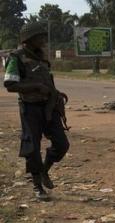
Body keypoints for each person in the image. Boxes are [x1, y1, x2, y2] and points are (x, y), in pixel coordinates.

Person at [3, 22, 70, 201]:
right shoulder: (16, 58)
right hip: (30, 108)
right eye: (40, 37)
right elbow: (10, 85)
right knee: (32, 147)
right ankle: (37, 186)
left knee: (62, 144)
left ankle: (44, 170)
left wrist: (56, 93)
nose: (44, 40)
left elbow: (48, 81)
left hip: (49, 106)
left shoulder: (42, 57)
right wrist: (36, 86)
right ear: (29, 39)